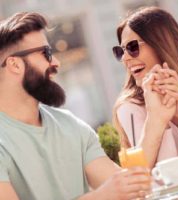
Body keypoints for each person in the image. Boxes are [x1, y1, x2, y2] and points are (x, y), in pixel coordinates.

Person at [0, 12, 151, 200]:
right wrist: (101, 197)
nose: (56, 62)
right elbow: (110, 192)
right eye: (46, 53)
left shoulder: (71, 126)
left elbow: (128, 189)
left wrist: (157, 116)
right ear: (15, 65)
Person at [112, 6, 178, 169]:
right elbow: (140, 173)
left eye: (132, 47)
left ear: (162, 44)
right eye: (120, 51)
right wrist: (156, 119)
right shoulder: (130, 108)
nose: (125, 58)